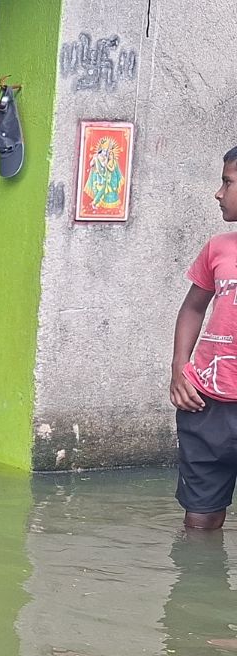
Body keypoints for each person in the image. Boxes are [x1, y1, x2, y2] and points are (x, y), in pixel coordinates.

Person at [170, 145, 237, 529]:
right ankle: (198, 589)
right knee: (199, 524)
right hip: (205, 406)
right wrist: (180, 369)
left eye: (227, 182)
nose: (218, 192)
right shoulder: (218, 248)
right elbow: (192, 308)